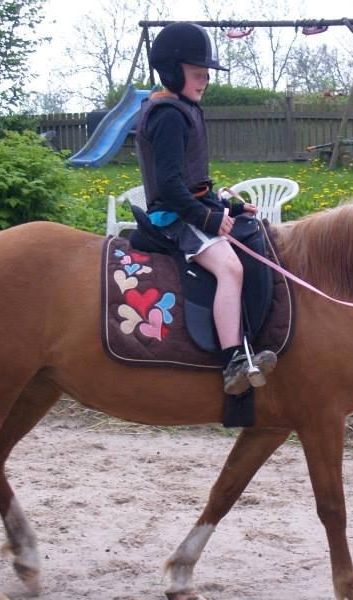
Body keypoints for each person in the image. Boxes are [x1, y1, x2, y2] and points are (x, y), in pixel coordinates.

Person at [135, 22, 277, 395]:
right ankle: (233, 361)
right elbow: (169, 185)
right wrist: (208, 219)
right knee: (229, 268)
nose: (205, 80)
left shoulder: (183, 108)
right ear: (172, 70)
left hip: (190, 207)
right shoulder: (167, 115)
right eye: (198, 73)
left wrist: (228, 206)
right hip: (174, 216)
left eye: (206, 74)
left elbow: (193, 179)